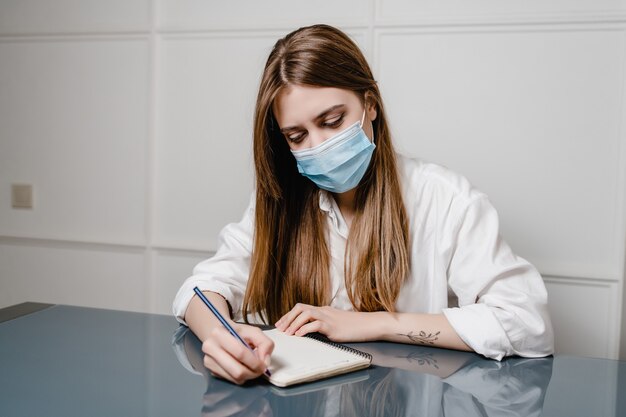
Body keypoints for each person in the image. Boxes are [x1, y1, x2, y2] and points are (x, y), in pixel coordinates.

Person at [173, 24, 554, 385]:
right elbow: (202, 288)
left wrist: (375, 323)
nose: (318, 146)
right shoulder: (278, 201)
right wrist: (220, 337)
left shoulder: (444, 198)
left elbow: (526, 323)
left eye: (333, 121)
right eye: (297, 135)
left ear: (370, 105)